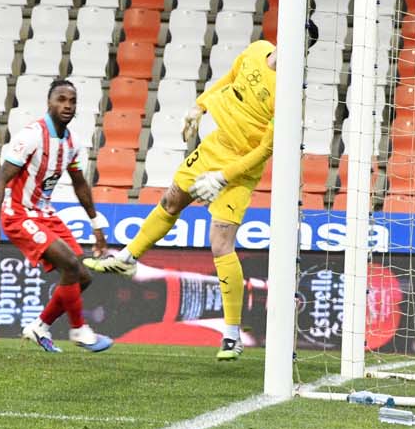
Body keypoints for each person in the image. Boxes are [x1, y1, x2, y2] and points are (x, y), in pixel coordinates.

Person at [87, 29, 312, 361]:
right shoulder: (256, 50)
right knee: (170, 201)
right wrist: (199, 106)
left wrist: (223, 178)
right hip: (213, 148)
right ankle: (126, 260)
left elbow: (266, 151)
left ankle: (232, 335)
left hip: (239, 170)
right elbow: (229, 79)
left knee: (220, 244)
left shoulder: (289, 93)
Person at [0, 79, 113, 353]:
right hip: (19, 215)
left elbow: (80, 184)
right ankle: (79, 330)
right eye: (61, 99)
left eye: (72, 101)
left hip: (44, 214)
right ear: (50, 102)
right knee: (69, 263)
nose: (67, 105)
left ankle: (40, 326)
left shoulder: (72, 142)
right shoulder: (31, 136)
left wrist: (97, 225)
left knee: (82, 276)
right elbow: (1, 178)